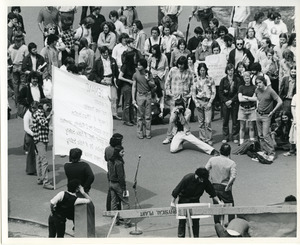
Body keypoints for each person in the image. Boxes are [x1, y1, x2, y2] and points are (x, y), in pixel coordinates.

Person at [171, 167, 223, 237]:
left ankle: (196, 238)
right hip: (184, 201)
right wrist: (172, 203)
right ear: (197, 176)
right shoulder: (187, 178)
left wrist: (219, 202)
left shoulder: (205, 181)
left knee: (196, 221)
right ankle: (181, 237)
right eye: (201, 179)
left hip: (195, 201)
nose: (202, 181)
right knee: (182, 221)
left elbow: (212, 193)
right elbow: (176, 190)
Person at [163, 56, 194, 144]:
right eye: (179, 64)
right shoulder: (173, 70)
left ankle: (183, 135)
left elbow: (192, 84)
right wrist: (169, 93)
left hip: (184, 98)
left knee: (184, 118)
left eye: (183, 65)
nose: (181, 66)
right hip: (174, 98)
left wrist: (190, 94)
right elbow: (167, 82)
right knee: (172, 118)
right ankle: (169, 136)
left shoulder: (189, 72)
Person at [205, 143, 236, 224]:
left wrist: (209, 182)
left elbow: (205, 170)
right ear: (229, 152)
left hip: (214, 186)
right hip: (224, 187)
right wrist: (228, 185)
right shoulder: (232, 163)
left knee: (216, 207)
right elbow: (233, 177)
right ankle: (231, 225)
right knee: (230, 207)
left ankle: (217, 225)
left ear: (220, 151)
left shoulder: (212, 160)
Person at [255, 75, 282, 162]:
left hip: (267, 116)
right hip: (258, 114)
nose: (258, 85)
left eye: (259, 82)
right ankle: (264, 151)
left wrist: (273, 111)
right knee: (260, 135)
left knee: (266, 135)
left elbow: (280, 101)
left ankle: (271, 153)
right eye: (257, 83)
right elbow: (258, 99)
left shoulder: (270, 90)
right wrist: (257, 107)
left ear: (264, 82)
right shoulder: (257, 90)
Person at [89, 46, 120, 120]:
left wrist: (117, 81)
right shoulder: (97, 61)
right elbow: (94, 73)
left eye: (107, 52)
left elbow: (116, 72)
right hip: (103, 79)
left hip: (111, 79)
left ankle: (114, 113)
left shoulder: (112, 60)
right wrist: (100, 80)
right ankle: (103, 113)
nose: (106, 54)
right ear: (101, 53)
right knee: (103, 98)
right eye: (104, 53)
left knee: (114, 98)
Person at [108, 145, 132, 228]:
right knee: (125, 202)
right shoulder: (119, 163)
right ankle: (127, 222)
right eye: (122, 152)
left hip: (111, 183)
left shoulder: (110, 161)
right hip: (118, 184)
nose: (124, 153)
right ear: (118, 153)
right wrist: (124, 188)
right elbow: (121, 177)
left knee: (113, 202)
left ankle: (115, 220)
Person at [31, 98, 54, 189]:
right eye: (47, 106)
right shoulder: (38, 113)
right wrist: (50, 116)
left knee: (39, 159)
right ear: (44, 105)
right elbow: (43, 122)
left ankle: (40, 178)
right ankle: (45, 181)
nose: (48, 108)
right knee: (44, 161)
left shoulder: (39, 113)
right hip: (40, 139)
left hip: (41, 139)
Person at [192, 63, 216, 145]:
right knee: (201, 122)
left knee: (208, 121)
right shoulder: (195, 80)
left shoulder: (210, 79)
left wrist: (210, 102)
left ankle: (209, 138)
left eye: (204, 70)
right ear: (198, 71)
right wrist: (196, 102)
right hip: (199, 101)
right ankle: (202, 138)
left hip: (207, 101)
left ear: (206, 70)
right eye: (201, 70)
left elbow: (213, 91)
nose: (202, 72)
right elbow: (193, 93)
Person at [132, 58, 156, 139]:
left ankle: (148, 133)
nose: (138, 66)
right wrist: (133, 98)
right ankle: (140, 132)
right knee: (139, 116)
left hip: (148, 95)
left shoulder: (148, 73)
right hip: (140, 95)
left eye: (140, 65)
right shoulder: (136, 74)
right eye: (137, 65)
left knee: (148, 116)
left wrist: (148, 79)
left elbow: (153, 85)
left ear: (144, 66)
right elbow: (134, 86)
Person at [219, 63, 241, 144]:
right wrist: (225, 101)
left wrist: (232, 100)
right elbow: (220, 92)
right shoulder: (223, 80)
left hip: (234, 102)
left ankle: (235, 136)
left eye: (231, 70)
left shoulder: (237, 80)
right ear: (226, 71)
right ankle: (225, 136)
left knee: (235, 120)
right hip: (225, 102)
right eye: (229, 70)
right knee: (225, 120)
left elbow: (239, 91)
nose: (230, 72)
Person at [8, 33, 28, 105]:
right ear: (22, 40)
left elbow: (8, 58)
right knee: (22, 83)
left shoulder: (10, 47)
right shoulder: (24, 47)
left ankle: (17, 101)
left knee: (15, 85)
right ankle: (21, 100)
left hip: (14, 67)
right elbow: (26, 59)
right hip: (21, 66)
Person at [104, 133, 123, 211]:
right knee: (118, 194)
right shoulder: (117, 150)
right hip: (116, 174)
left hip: (109, 173)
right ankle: (118, 211)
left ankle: (109, 209)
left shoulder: (107, 149)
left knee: (110, 192)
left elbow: (105, 158)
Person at [238, 72, 257, 145]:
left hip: (251, 109)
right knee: (242, 127)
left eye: (248, 78)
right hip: (242, 109)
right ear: (243, 78)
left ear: (250, 78)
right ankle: (241, 142)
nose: (247, 79)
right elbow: (240, 99)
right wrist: (250, 98)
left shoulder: (254, 87)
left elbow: (255, 98)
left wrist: (246, 97)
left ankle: (252, 143)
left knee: (251, 127)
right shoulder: (241, 87)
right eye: (245, 78)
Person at [23, 101, 39, 175]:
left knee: (39, 152)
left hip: (36, 133)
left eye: (35, 108)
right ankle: (31, 170)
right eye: (33, 108)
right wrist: (34, 134)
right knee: (31, 153)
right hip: (30, 135)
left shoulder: (36, 112)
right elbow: (26, 128)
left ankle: (40, 168)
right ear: (31, 107)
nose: (34, 110)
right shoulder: (27, 115)